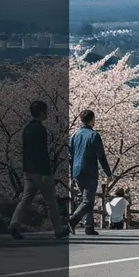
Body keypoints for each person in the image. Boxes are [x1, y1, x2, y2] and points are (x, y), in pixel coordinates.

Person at [8, 100, 69, 240]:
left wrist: (26, 169)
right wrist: (46, 172)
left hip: (28, 170)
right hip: (40, 171)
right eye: (46, 111)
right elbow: (42, 153)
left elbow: (26, 151)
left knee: (26, 198)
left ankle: (14, 224)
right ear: (41, 112)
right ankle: (58, 230)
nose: (47, 114)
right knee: (51, 201)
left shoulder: (27, 128)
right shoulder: (41, 130)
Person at [68, 109, 112, 235]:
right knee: (87, 201)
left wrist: (72, 173)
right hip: (89, 171)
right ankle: (72, 221)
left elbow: (71, 155)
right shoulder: (94, 135)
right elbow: (101, 156)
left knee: (87, 200)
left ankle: (89, 226)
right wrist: (108, 173)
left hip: (77, 171)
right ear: (92, 120)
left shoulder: (74, 135)